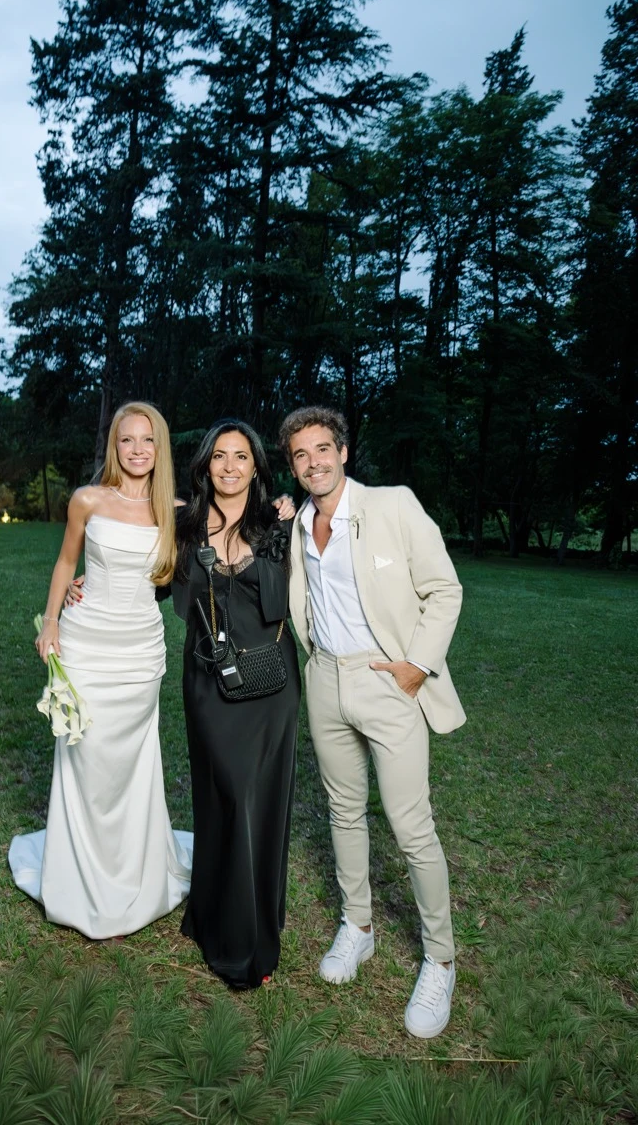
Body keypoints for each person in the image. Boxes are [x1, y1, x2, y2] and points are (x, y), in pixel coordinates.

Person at [279, 406, 465, 1038]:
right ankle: (357, 926)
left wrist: (417, 665)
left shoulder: (392, 505)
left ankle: (440, 959)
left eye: (322, 449)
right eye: (301, 455)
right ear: (293, 466)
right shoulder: (297, 523)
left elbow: (445, 589)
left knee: (412, 827)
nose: (314, 462)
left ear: (343, 451)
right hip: (324, 679)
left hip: (388, 680)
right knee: (343, 810)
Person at [8, 402, 193, 938]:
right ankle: (79, 874)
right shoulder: (87, 500)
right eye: (127, 439)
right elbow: (67, 562)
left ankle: (134, 868)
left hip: (139, 653)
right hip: (86, 644)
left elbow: (232, 527)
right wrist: (50, 621)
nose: (137, 450)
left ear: (159, 448)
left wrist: (280, 506)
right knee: (84, 755)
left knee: (131, 762)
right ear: (114, 445)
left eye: (147, 440)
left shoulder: (177, 511)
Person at [171, 420, 301, 989]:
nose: (229, 466)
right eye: (219, 456)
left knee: (256, 803)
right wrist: (83, 585)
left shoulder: (278, 522)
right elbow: (148, 580)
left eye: (241, 456)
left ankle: (250, 943)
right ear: (205, 465)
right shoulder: (184, 525)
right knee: (220, 795)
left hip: (270, 685)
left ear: (255, 466)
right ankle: (210, 915)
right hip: (207, 680)